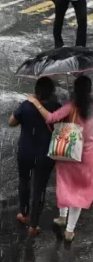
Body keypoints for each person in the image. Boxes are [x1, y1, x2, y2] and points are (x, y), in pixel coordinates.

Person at [28, 76, 93, 242]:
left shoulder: (70, 106)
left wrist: (35, 102)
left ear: (75, 90)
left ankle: (62, 216)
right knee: (79, 192)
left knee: (65, 185)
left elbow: (50, 118)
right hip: (87, 157)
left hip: (68, 152)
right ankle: (70, 231)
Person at [10, 77, 61, 235]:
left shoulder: (26, 105)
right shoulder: (56, 107)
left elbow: (11, 122)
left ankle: (23, 214)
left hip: (25, 152)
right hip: (45, 155)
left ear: (36, 91)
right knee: (39, 188)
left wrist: (30, 104)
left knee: (24, 182)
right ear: (52, 92)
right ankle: (33, 225)